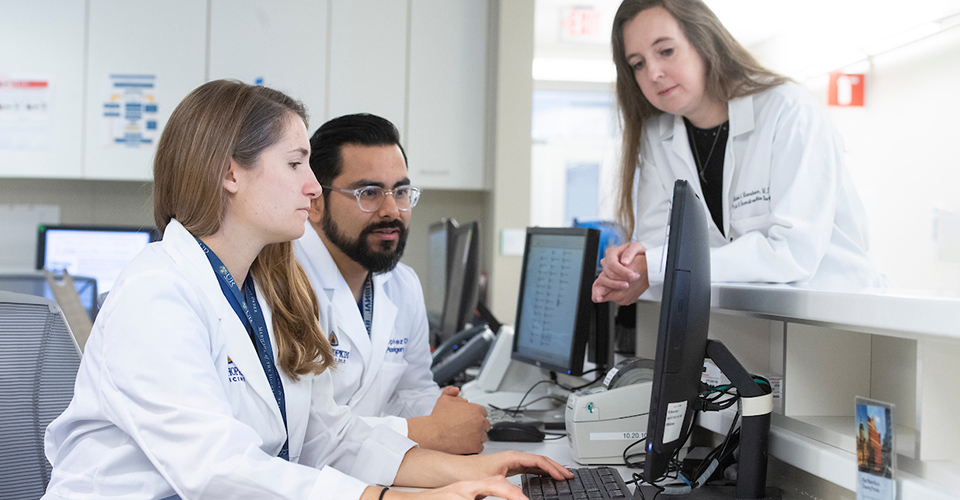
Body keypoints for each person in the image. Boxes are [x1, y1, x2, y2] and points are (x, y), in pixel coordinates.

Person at [41, 79, 571, 500]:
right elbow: (215, 471)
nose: (313, 187)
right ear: (231, 173)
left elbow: (328, 437)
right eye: (296, 164)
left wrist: (482, 468)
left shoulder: (265, 291)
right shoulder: (157, 292)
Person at [592, 0, 884, 306]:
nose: (653, 73)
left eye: (666, 51)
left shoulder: (788, 109)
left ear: (704, 41)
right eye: (637, 63)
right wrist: (628, 267)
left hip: (838, 317)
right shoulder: (657, 135)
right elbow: (656, 249)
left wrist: (652, 264)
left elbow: (793, 253)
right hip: (744, 322)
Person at [292, 113, 489, 455]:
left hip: (373, 470)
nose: (391, 210)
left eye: (400, 191)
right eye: (368, 192)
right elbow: (307, 433)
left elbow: (411, 391)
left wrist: (448, 413)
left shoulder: (403, 285)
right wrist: (430, 431)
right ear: (315, 203)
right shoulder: (285, 282)